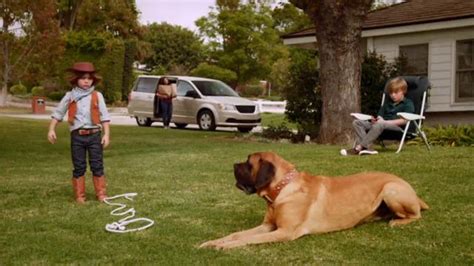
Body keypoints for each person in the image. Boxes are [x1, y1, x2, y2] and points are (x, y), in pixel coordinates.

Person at [47, 62, 111, 203]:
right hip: (77, 136)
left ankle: (101, 194)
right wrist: (52, 129)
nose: (86, 81)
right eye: (83, 78)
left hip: (94, 135)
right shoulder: (70, 96)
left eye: (89, 78)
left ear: (93, 79)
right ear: (76, 80)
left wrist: (106, 134)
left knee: (97, 164)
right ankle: (80, 196)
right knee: (79, 165)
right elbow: (58, 113)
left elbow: (104, 116)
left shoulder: (97, 96)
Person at [342, 77, 415, 156]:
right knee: (357, 122)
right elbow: (380, 116)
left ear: (403, 91)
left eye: (396, 92)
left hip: (397, 128)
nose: (393, 95)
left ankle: (359, 148)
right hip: (381, 125)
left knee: (380, 124)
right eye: (391, 93)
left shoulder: (407, 103)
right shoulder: (387, 104)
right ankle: (368, 148)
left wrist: (385, 122)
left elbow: (405, 120)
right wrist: (376, 120)